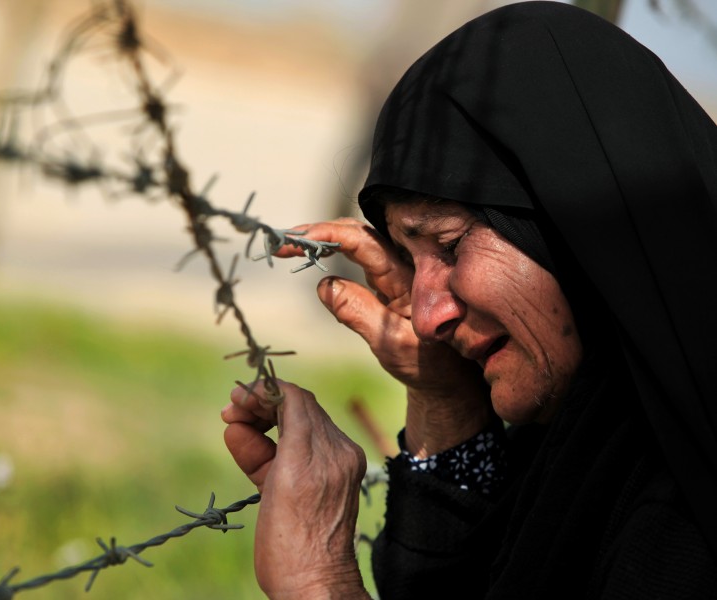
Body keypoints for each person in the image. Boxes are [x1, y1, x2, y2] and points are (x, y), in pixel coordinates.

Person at [221, 2, 717, 598]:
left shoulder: (687, 507)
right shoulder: (587, 434)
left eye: (451, 247)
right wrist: (445, 400)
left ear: (571, 225)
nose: (427, 318)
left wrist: (317, 579)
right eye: (408, 258)